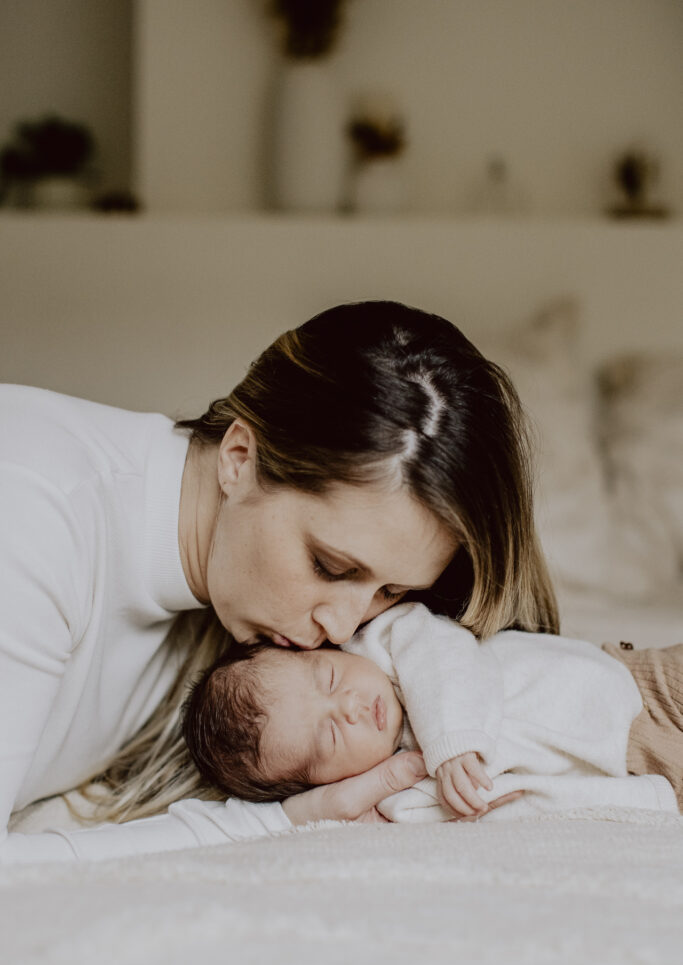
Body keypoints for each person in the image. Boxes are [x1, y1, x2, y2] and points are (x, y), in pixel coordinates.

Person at [0, 300, 556, 863]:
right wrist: (285, 822)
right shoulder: (31, 511)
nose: (342, 624)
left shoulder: (239, 625)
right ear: (239, 457)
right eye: (331, 568)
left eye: (392, 593)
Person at [182, 603, 682, 820]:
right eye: (330, 737)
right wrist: (648, 800)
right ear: (324, 783)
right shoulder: (404, 794)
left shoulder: (390, 642)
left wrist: (451, 741)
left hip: (637, 684)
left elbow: (446, 653)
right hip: (641, 765)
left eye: (329, 679)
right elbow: (514, 805)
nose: (351, 708)